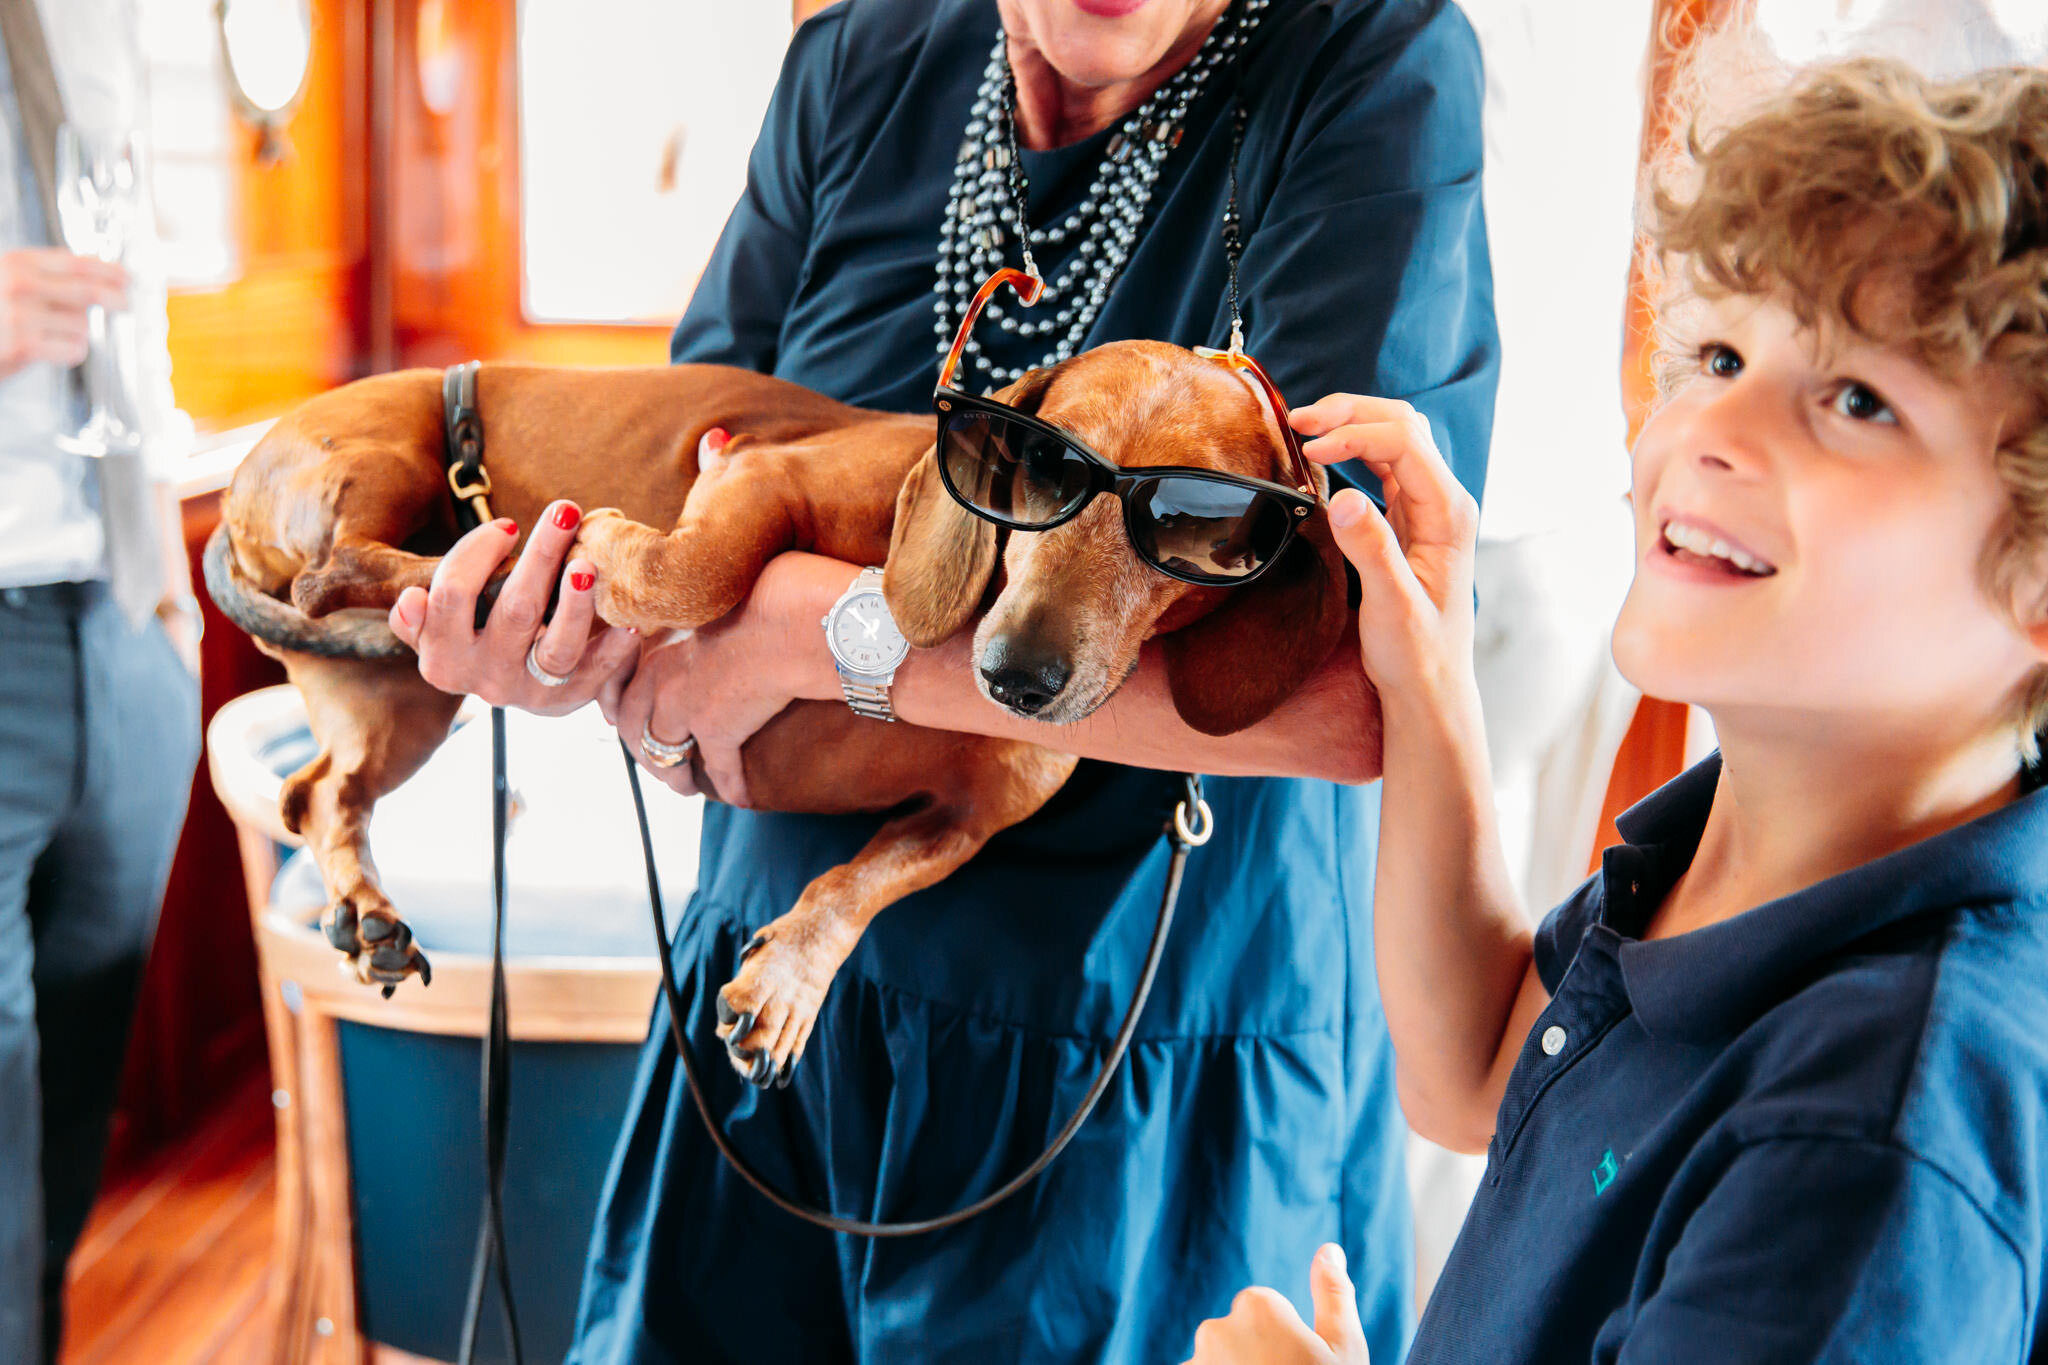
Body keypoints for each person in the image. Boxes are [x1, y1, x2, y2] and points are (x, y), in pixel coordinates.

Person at [390, 0, 1497, 1358]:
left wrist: (801, 633)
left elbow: (1355, 681)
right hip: (773, 1009)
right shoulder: (859, 62)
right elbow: (683, 500)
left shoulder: (1367, 66)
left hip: (1121, 1073)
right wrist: (582, 640)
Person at [1188, 52, 2048, 1363]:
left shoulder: (1874, 1134)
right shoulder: (1760, 837)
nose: (1709, 423)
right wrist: (1427, 671)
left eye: (1857, 398)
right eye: (1717, 350)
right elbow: (1472, 1056)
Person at [0, 1, 201, 1361]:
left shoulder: (97, 18)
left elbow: (141, 298)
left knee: (64, 1126)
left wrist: (169, 604)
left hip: (124, 623)